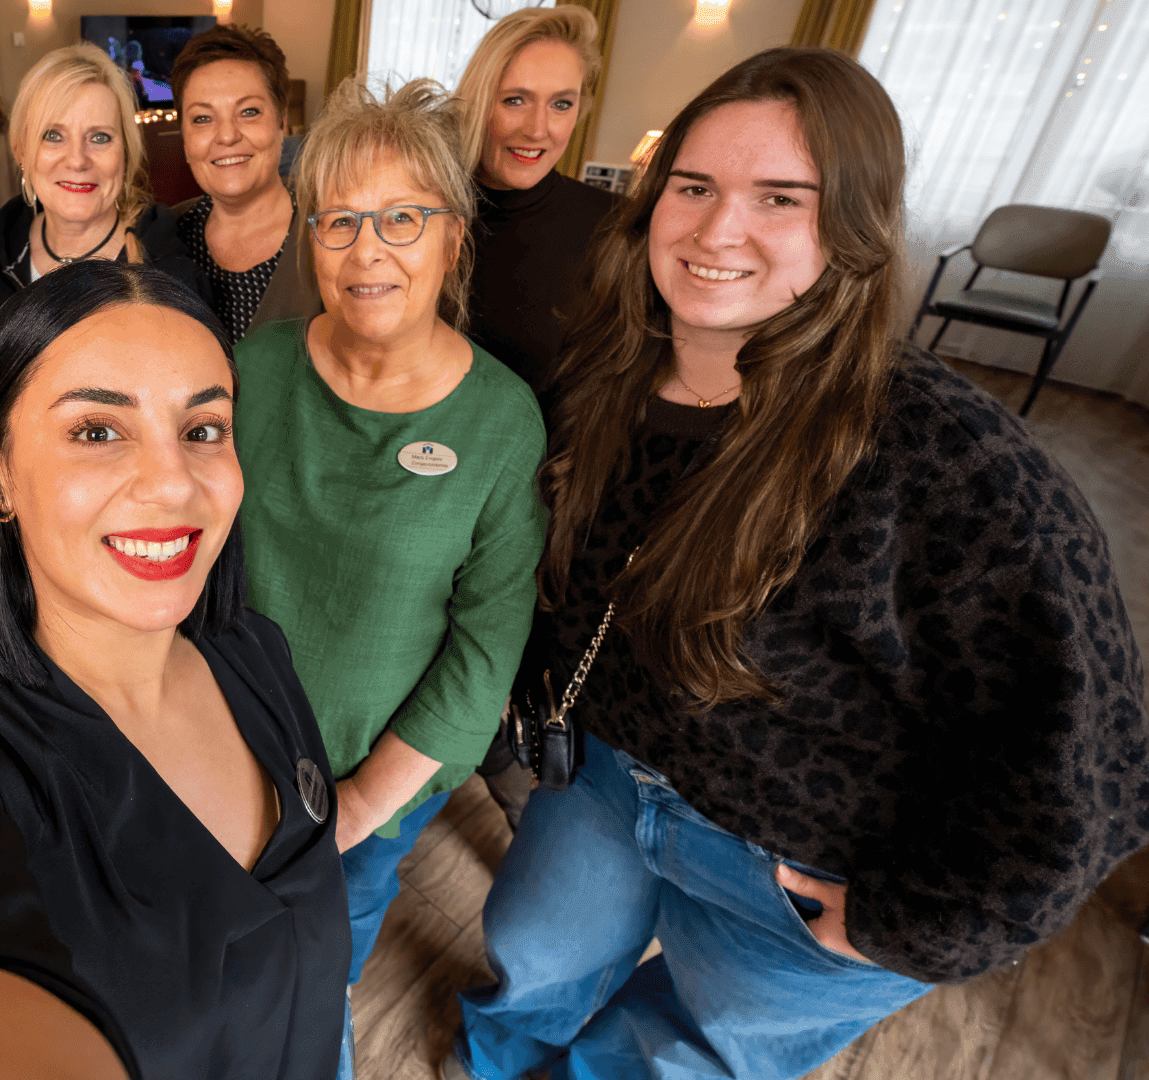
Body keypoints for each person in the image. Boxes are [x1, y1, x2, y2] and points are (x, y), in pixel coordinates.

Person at [444, 48, 1147, 1080]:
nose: (718, 230)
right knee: (532, 962)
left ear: (853, 226)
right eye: (694, 187)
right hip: (598, 781)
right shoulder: (604, 380)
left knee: (680, 1054)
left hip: (801, 854)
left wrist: (915, 923)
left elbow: (1089, 766)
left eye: (781, 197)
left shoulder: (956, 467)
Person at [0, 261, 349, 1080]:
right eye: (96, 430)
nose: (173, 483)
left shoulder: (254, 653)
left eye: (203, 430)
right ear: (2, 477)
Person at [235, 79, 548, 1079]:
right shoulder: (253, 368)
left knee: (314, 971)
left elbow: (487, 647)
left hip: (370, 782)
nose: (367, 249)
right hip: (215, 747)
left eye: (403, 217)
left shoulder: (502, 421)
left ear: (453, 238)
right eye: (339, 220)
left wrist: (359, 809)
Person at [0, 43, 197, 334]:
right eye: (53, 135)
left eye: (99, 137)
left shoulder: (166, 265)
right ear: (22, 151)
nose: (77, 160)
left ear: (126, 154)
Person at [451, 5, 617, 390]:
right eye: (515, 100)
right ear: (478, 102)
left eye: (561, 104)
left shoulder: (614, 225)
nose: (537, 129)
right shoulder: (424, 212)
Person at [169, 23, 322, 344]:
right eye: (202, 118)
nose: (227, 135)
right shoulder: (162, 236)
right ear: (184, 138)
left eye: (249, 112)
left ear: (281, 122)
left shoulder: (333, 229)